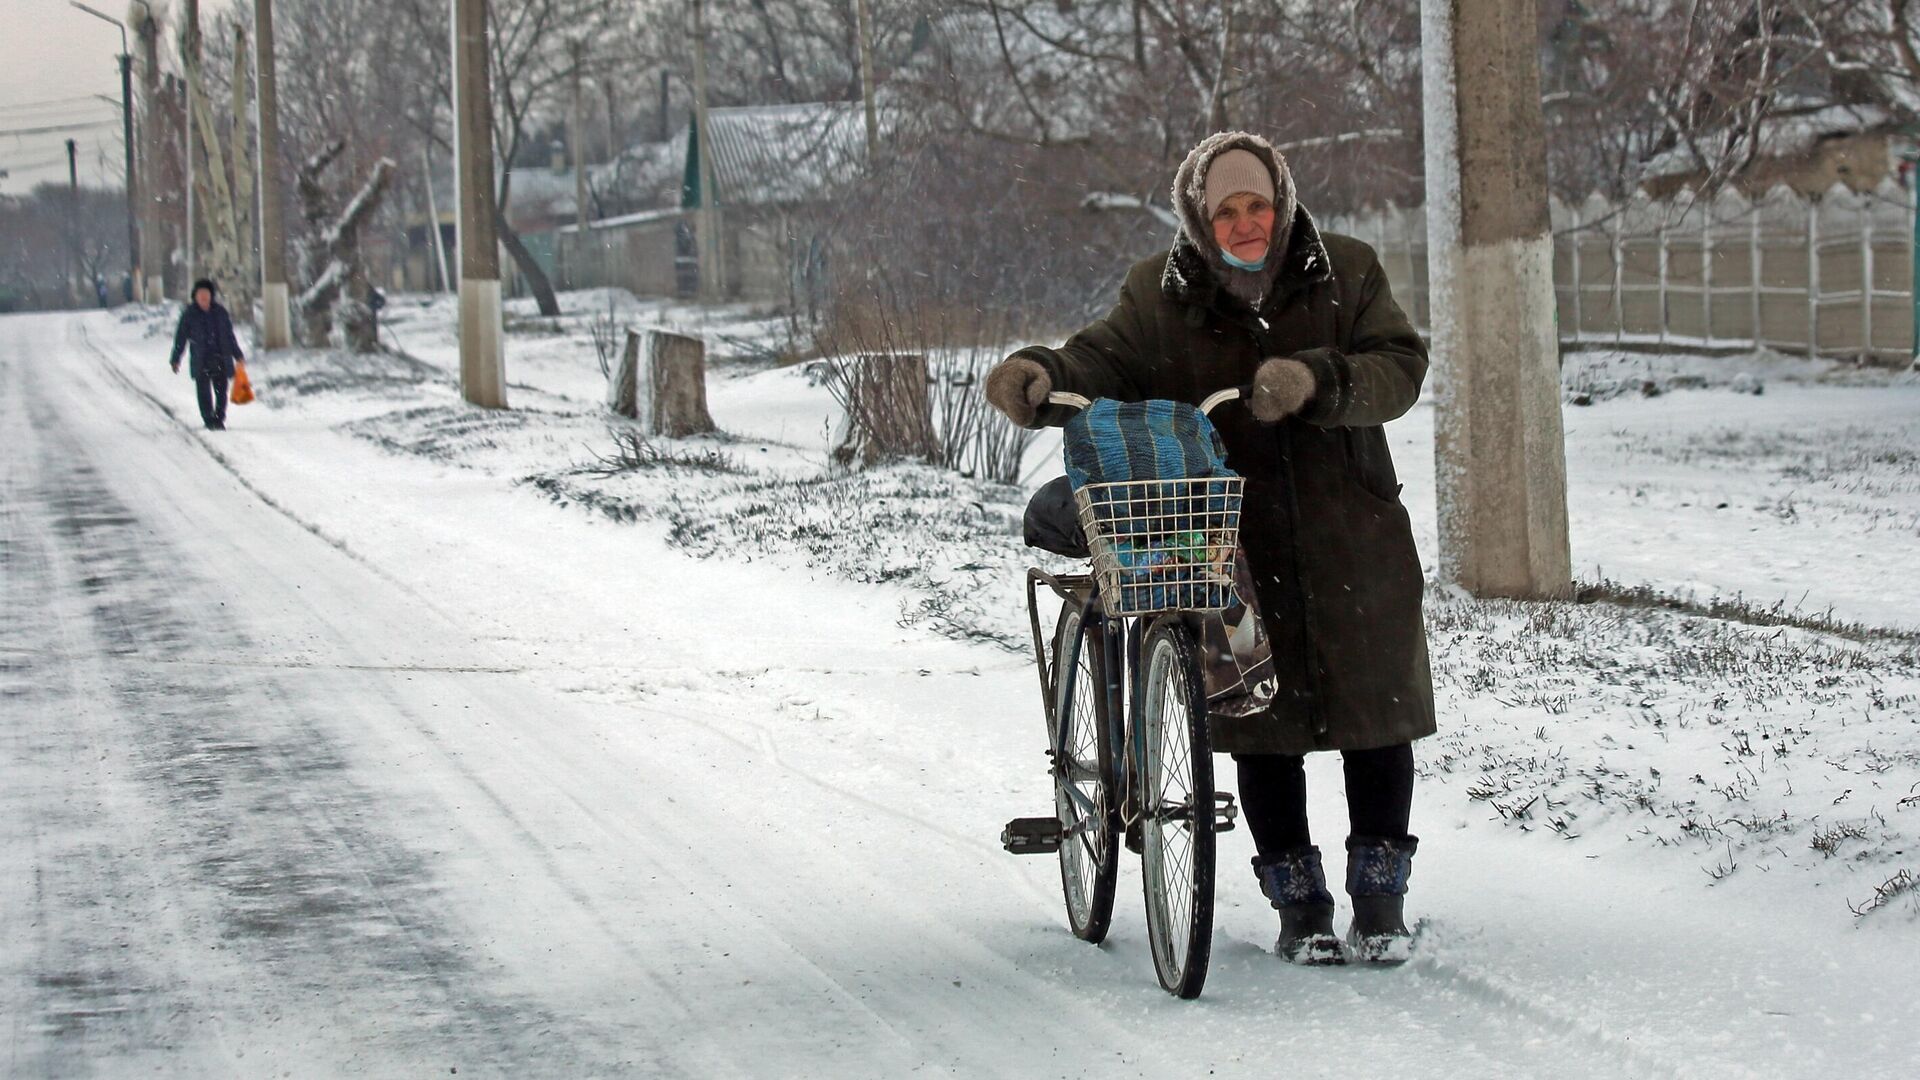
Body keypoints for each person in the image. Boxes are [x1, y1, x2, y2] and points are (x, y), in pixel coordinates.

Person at [987, 132, 1434, 966]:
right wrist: (1042, 371)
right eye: (1225, 210)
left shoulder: (1348, 270)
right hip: (1229, 539)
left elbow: (1399, 367)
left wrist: (1314, 380)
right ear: (1199, 217)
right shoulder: (1161, 295)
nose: (1245, 222)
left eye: (1257, 204)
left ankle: (1380, 905)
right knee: (1262, 720)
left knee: (1379, 718)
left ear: (1282, 201)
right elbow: (1102, 357)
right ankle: (1300, 912)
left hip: (1353, 536)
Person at [168, 278, 245, 431]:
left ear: (211, 295)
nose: (204, 297)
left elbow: (229, 336)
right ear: (195, 296)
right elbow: (181, 338)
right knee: (203, 392)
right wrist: (176, 359)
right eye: (200, 294)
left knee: (221, 391)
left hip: (220, 358)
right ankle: (208, 419)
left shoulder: (220, 313)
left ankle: (219, 417)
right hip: (201, 359)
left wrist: (238, 355)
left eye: (206, 294)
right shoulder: (189, 315)